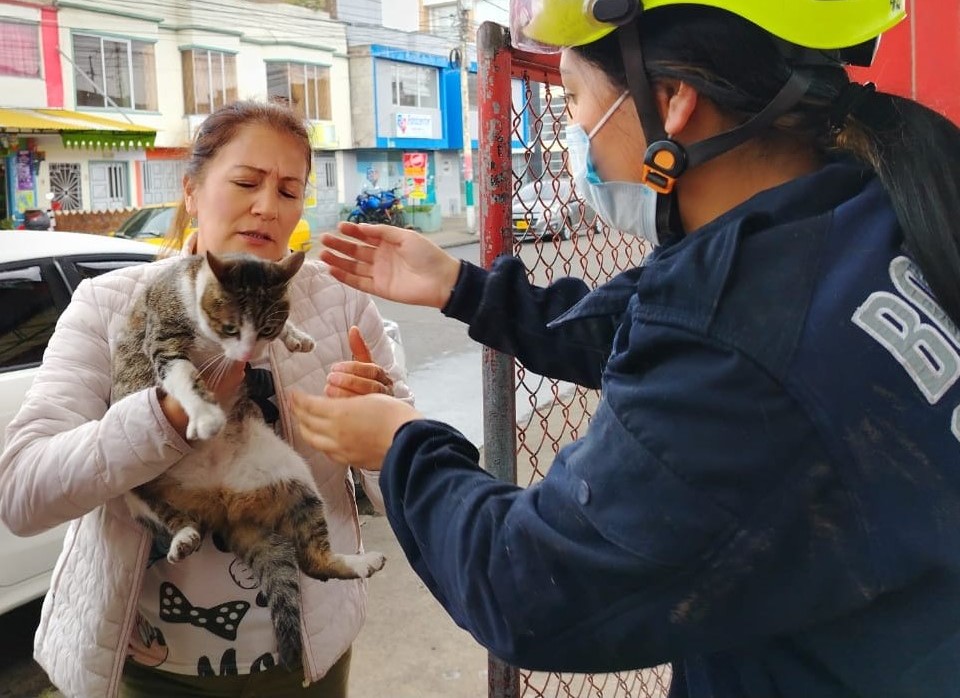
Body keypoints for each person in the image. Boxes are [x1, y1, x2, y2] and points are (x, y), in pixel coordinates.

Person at [289, 1, 960, 696]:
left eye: (575, 95)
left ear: (672, 102)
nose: (577, 127)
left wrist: (403, 445)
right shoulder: (859, 216)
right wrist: (460, 286)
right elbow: (643, 327)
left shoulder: (744, 334)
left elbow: (530, 583)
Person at [0, 100, 410, 698]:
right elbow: (22, 493)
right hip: (148, 669)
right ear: (191, 189)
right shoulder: (107, 304)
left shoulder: (339, 306)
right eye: (246, 182)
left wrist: (386, 438)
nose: (268, 206)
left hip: (306, 659)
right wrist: (166, 417)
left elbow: (391, 493)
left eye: (290, 190)